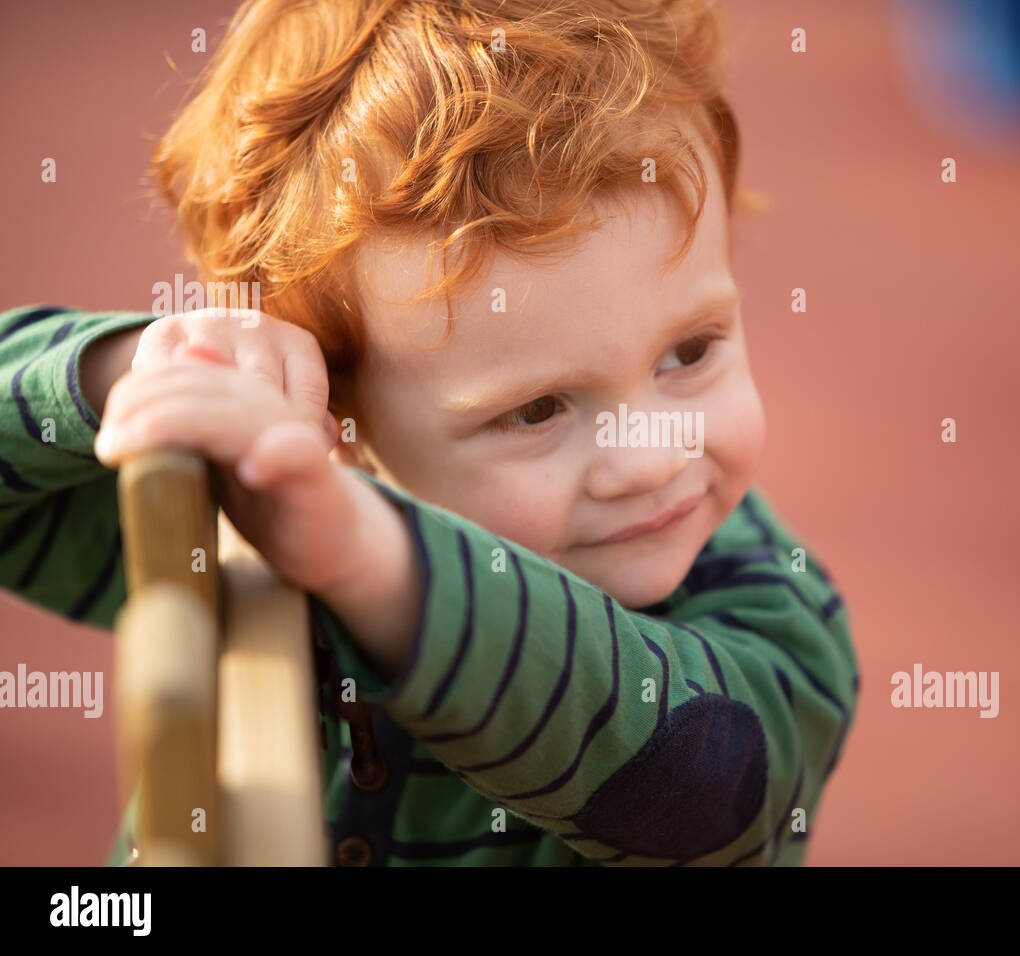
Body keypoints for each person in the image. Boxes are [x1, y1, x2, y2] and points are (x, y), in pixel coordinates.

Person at [0, 0, 857, 866]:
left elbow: (704, 793)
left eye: (689, 350)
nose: (651, 456)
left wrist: (374, 561)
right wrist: (137, 374)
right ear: (341, 422)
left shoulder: (775, 616)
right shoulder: (254, 502)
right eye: (537, 409)